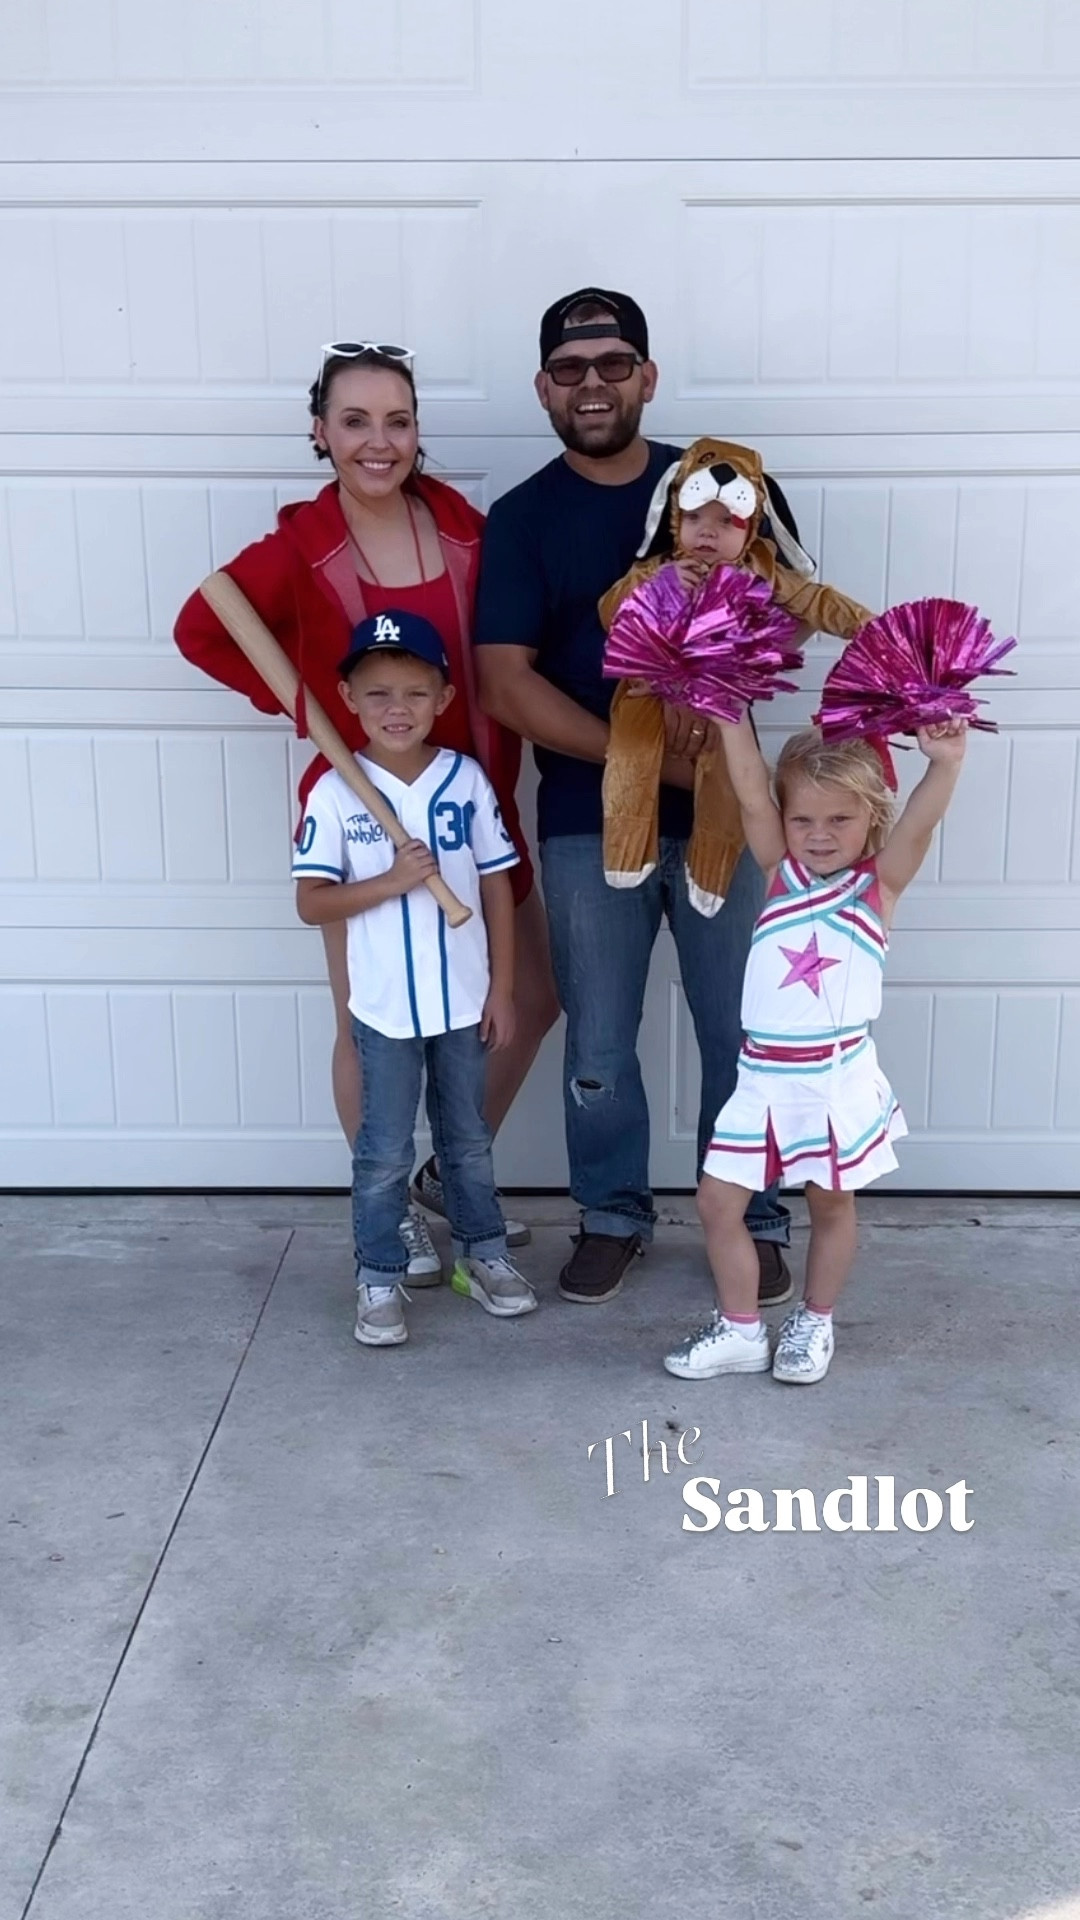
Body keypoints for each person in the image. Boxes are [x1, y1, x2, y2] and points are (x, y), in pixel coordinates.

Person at [175, 342, 558, 1277]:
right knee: (364, 1020)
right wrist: (310, 710)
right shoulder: (301, 545)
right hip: (363, 811)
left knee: (530, 997)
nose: (378, 442)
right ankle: (381, 1220)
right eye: (355, 421)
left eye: (397, 420)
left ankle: (442, 1185)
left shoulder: (465, 526)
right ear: (321, 432)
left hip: (471, 805)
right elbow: (202, 628)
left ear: (418, 430)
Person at [474, 289, 795, 1307]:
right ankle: (612, 1216)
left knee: (738, 1034)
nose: (594, 385)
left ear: (648, 377)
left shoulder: (718, 484)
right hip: (587, 822)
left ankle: (751, 1217)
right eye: (570, 370)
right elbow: (505, 681)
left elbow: (782, 620)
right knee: (600, 1046)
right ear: (544, 388)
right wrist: (643, 760)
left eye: (614, 365)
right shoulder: (523, 518)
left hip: (725, 814)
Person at [664, 714, 967, 1387]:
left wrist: (944, 764)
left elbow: (919, 823)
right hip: (762, 1078)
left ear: (869, 821)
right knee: (718, 1202)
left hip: (834, 1080)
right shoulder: (778, 871)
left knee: (830, 1203)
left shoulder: (876, 888)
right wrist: (726, 714)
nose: (820, 835)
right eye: (803, 820)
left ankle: (815, 1318)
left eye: (839, 821)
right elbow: (748, 792)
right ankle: (742, 1330)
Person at [293, 610, 538, 1346]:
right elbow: (311, 902)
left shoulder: (464, 781)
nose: (396, 709)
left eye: (413, 692)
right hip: (383, 1010)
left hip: (463, 1002)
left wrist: (501, 987)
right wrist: (393, 881)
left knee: (467, 1142)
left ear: (444, 698)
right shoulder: (337, 792)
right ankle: (378, 1276)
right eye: (376, 695)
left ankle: (483, 1258)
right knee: (384, 1151)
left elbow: (497, 884)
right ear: (347, 698)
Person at [599, 435, 874, 916]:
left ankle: (709, 869)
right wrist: (656, 587)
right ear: (674, 520)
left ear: (750, 529)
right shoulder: (659, 569)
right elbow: (609, 614)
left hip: (723, 703)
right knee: (630, 756)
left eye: (727, 521)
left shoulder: (761, 570)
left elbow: (815, 601)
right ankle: (626, 849)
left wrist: (869, 628)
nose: (708, 532)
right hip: (647, 692)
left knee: (730, 783)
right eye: (694, 518)